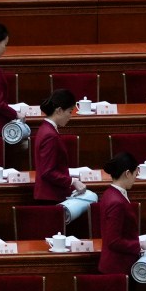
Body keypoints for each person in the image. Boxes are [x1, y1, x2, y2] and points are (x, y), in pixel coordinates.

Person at [29, 89, 96, 224]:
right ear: (59, 110)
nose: (70, 116)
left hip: (48, 194)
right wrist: (73, 182)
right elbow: (48, 172)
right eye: (69, 111)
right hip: (50, 196)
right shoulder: (50, 135)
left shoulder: (46, 129)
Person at [94, 153, 142, 281]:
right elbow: (114, 241)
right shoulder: (116, 201)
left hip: (116, 267)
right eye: (135, 174)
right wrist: (140, 245)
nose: (135, 178)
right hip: (118, 270)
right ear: (127, 173)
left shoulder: (109, 193)